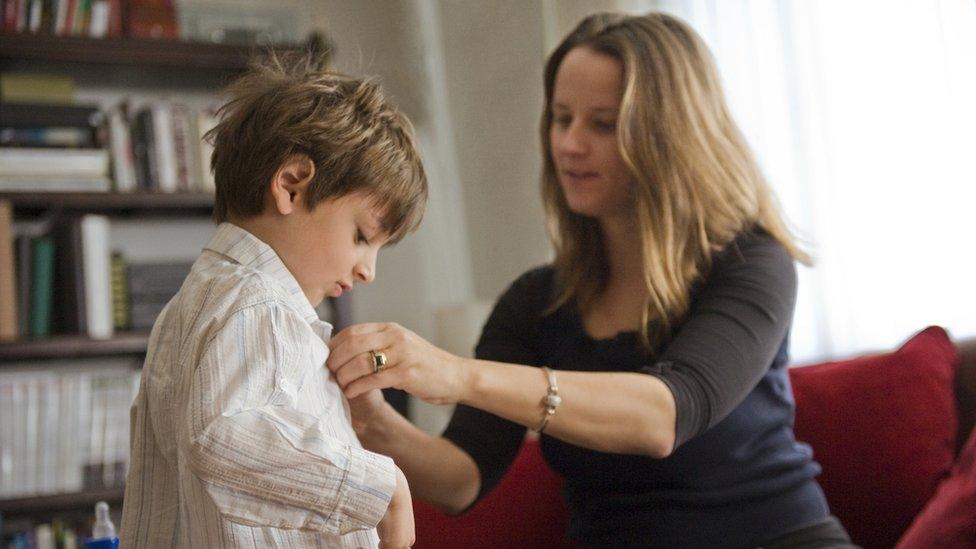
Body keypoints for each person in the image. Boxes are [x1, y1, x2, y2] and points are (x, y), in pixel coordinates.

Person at [327, 12, 856, 548]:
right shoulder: (536, 302)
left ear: (670, 138)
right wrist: (371, 419)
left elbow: (664, 416)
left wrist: (458, 374)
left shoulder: (751, 262)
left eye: (602, 124)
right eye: (561, 118)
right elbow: (462, 481)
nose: (570, 144)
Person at [120, 53, 427, 549]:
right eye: (362, 235)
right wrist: (380, 488)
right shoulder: (257, 306)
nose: (368, 270)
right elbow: (223, 438)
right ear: (290, 185)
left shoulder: (191, 306)